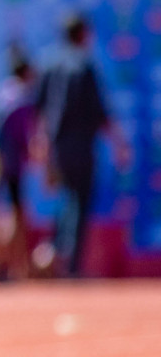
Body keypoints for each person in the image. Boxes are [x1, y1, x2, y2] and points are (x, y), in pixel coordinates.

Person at [35, 15, 130, 277]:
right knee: (79, 202)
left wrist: (43, 148)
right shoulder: (85, 65)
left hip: (58, 147)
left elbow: (39, 111)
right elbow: (101, 112)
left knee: (64, 200)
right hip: (82, 147)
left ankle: (52, 251)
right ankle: (71, 265)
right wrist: (119, 144)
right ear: (82, 34)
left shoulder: (48, 64)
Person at [0, 50, 37, 280]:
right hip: (11, 166)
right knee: (13, 216)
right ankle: (2, 267)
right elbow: (22, 136)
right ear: (26, 73)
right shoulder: (21, 97)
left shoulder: (1, 93)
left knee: (9, 215)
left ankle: (6, 267)